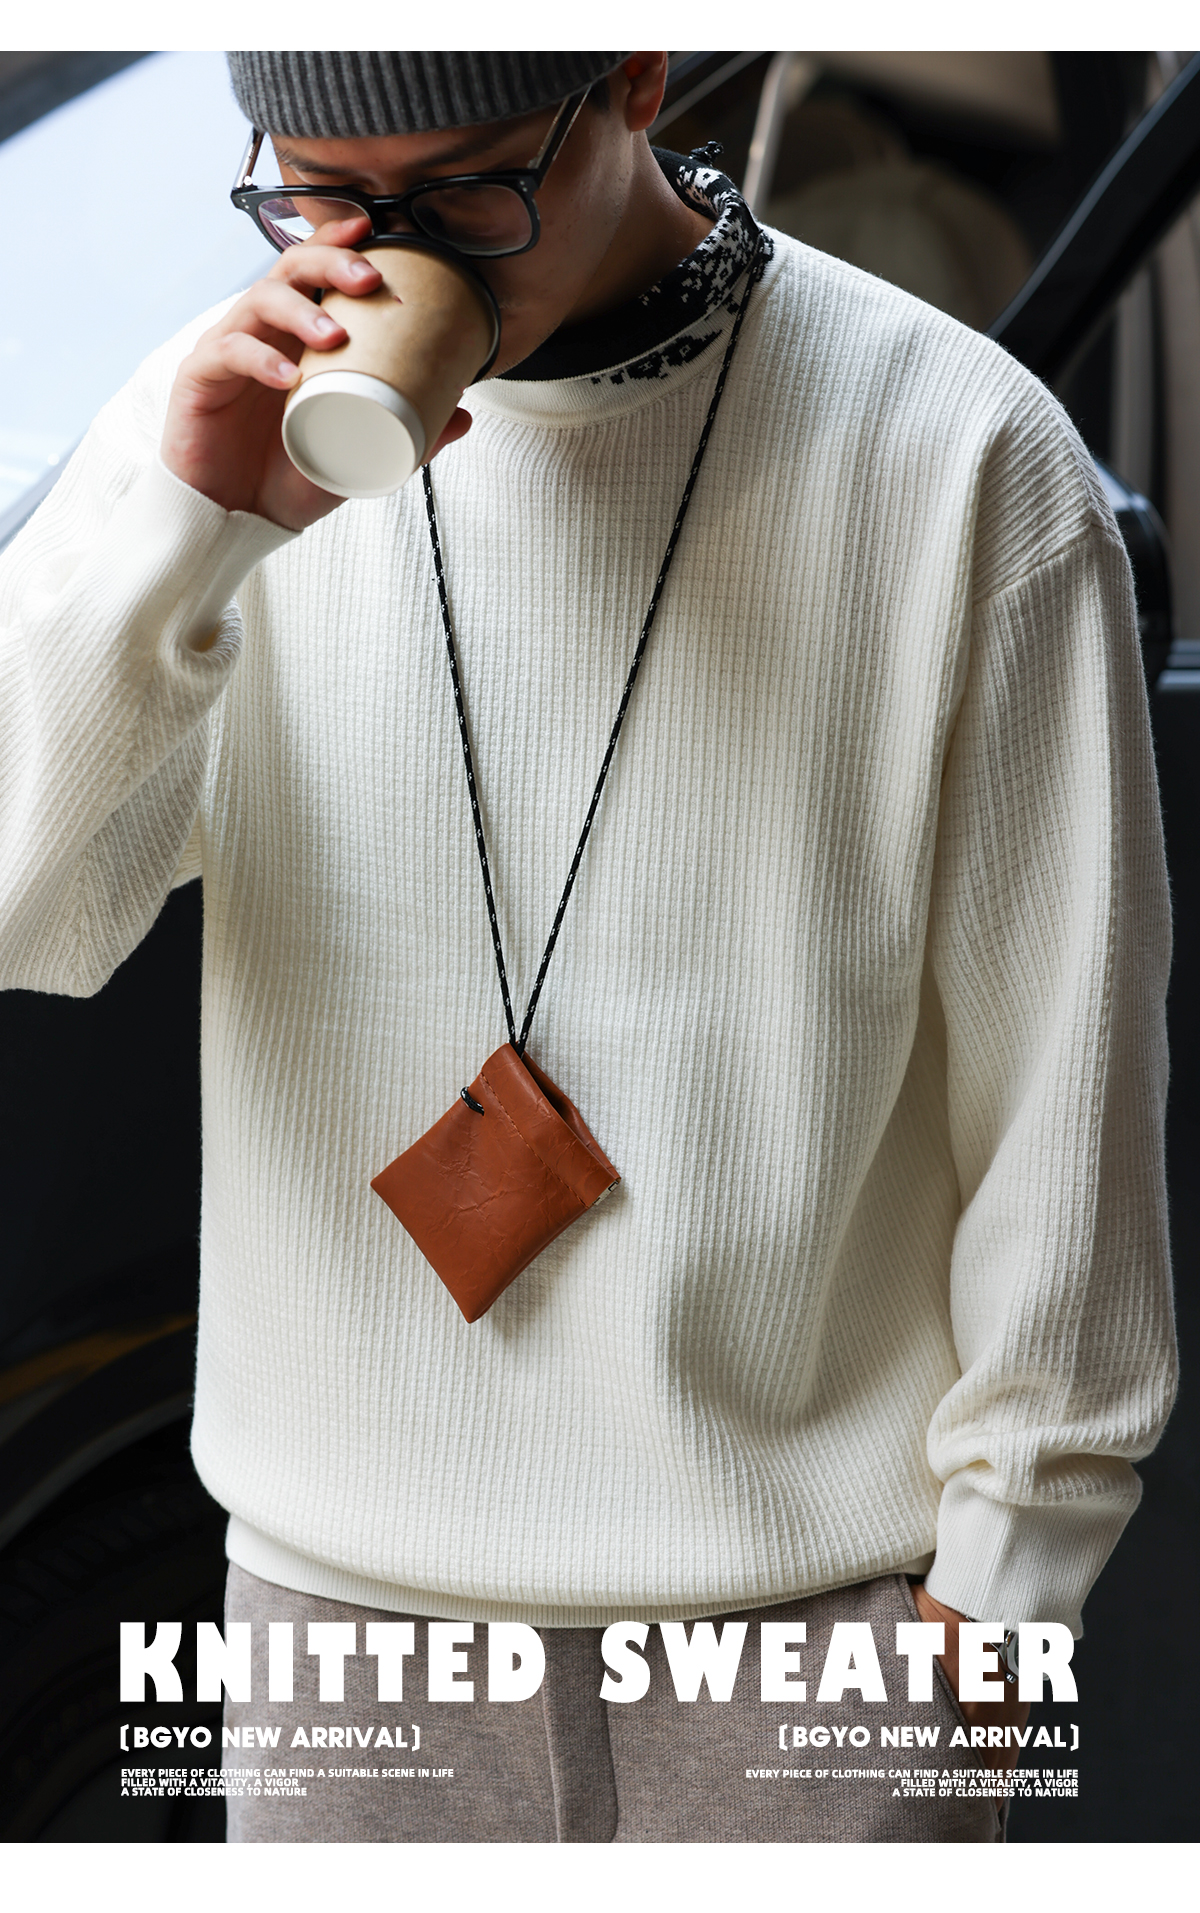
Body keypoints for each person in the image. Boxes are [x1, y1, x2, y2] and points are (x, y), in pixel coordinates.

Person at [0, 51, 1176, 1842]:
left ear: (633, 78)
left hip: (824, 1651)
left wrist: (999, 1614)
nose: (390, 254)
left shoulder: (959, 455)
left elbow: (1065, 1091)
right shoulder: (209, 424)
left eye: (465, 192)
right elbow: (33, 918)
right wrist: (191, 539)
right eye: (322, 194)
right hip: (340, 1636)